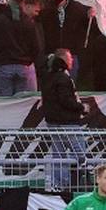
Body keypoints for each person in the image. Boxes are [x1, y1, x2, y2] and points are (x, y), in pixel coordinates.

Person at [42, 49, 89, 192]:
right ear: (64, 59)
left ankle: (59, 186)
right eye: (70, 58)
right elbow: (66, 100)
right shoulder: (63, 77)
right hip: (67, 122)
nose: (72, 61)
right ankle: (82, 183)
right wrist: (81, 107)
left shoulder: (48, 76)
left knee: (58, 155)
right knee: (80, 153)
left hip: (53, 122)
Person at [0, 0, 43, 96]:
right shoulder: (29, 23)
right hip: (24, 66)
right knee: (25, 103)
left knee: (5, 104)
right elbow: (36, 47)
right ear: (23, 4)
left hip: (3, 66)